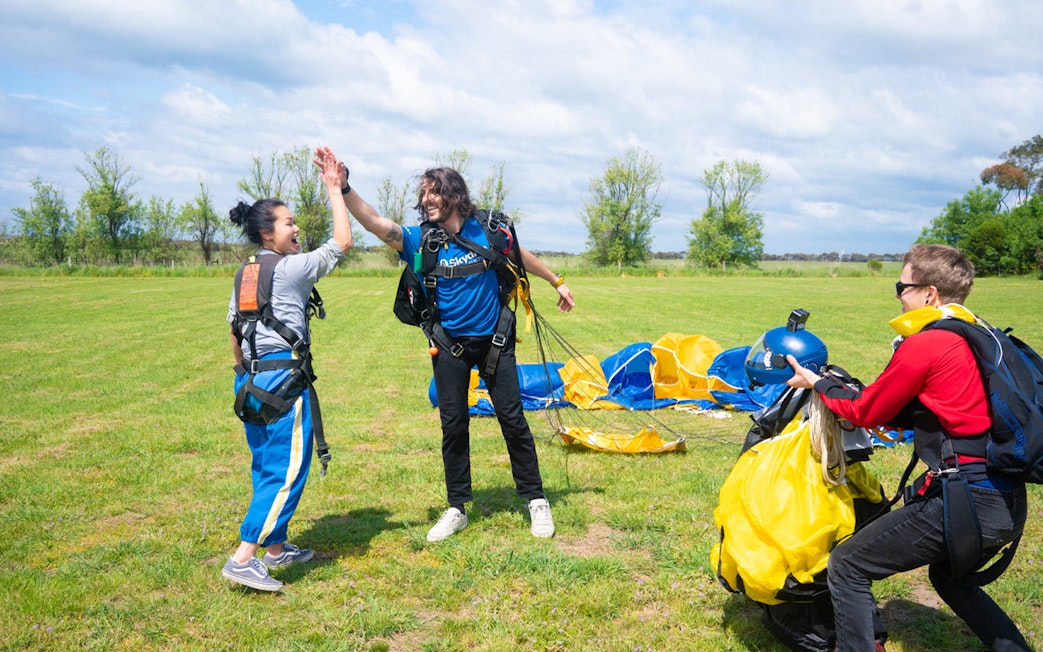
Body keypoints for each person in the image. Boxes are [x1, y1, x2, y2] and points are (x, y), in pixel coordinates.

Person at [316, 146, 574, 542]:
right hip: (449, 346)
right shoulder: (422, 240)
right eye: (423, 193)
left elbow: (519, 255)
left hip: (495, 342)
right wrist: (344, 186)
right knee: (453, 426)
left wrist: (556, 281)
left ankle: (536, 500)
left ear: (454, 194)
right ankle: (457, 508)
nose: (426, 199)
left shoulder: (487, 230)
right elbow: (375, 224)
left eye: (433, 191)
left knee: (513, 421)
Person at [785, 244, 1029, 651]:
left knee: (847, 565)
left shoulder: (929, 343)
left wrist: (818, 384)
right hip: (1005, 497)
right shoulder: (973, 333)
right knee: (951, 579)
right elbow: (916, 411)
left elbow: (865, 410)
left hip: (968, 500)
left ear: (929, 294)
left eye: (902, 286)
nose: (897, 294)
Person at [220, 149, 353, 591]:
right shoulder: (293, 269)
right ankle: (244, 557)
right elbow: (342, 243)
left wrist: (245, 374)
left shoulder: (245, 272)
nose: (297, 229)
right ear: (267, 232)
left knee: (264, 466)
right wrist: (335, 189)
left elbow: (235, 332)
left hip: (251, 382)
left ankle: (276, 549)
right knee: (287, 471)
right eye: (289, 223)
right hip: (283, 383)